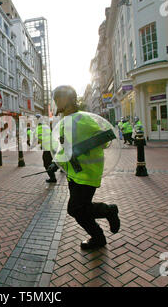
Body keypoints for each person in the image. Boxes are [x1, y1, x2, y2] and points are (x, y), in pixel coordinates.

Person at [47, 85, 120, 249]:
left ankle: (108, 212)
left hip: (87, 173)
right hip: (74, 174)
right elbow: (64, 148)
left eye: (58, 98)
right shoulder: (64, 122)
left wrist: (83, 147)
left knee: (76, 209)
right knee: (79, 209)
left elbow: (106, 138)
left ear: (67, 99)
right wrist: (56, 163)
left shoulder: (82, 119)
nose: (56, 102)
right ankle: (98, 237)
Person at [36, 114, 57, 183]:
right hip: (52, 146)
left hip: (48, 148)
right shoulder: (46, 127)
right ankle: (56, 171)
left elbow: (40, 139)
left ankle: (52, 177)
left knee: (46, 163)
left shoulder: (39, 128)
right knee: (51, 161)